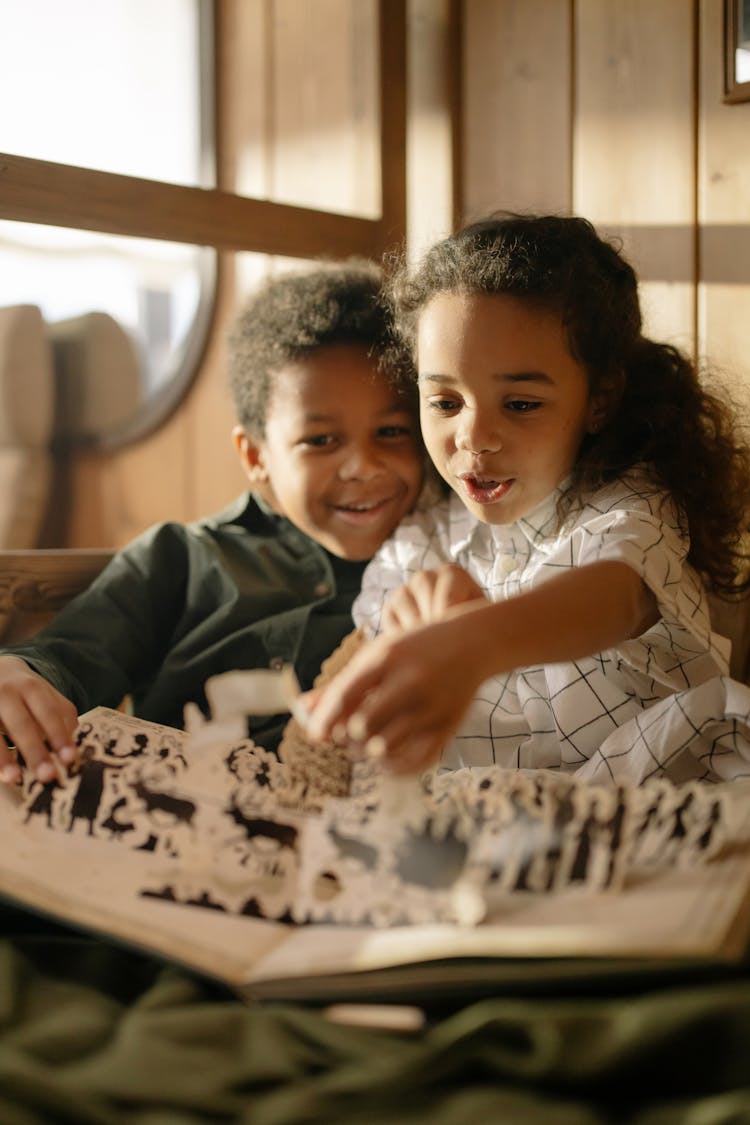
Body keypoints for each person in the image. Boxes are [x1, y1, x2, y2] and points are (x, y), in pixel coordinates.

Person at [305, 213, 750, 784]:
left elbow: (615, 595)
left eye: (520, 404)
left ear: (600, 398)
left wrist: (472, 642)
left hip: (651, 819)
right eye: (444, 402)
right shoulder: (423, 538)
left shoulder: (628, 504)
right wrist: (407, 630)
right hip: (477, 842)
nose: (473, 436)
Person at [0, 261, 424, 785]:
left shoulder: (445, 554)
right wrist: (21, 673)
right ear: (255, 455)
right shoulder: (183, 556)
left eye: (392, 431)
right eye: (320, 440)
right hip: (186, 822)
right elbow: (71, 656)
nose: (363, 466)